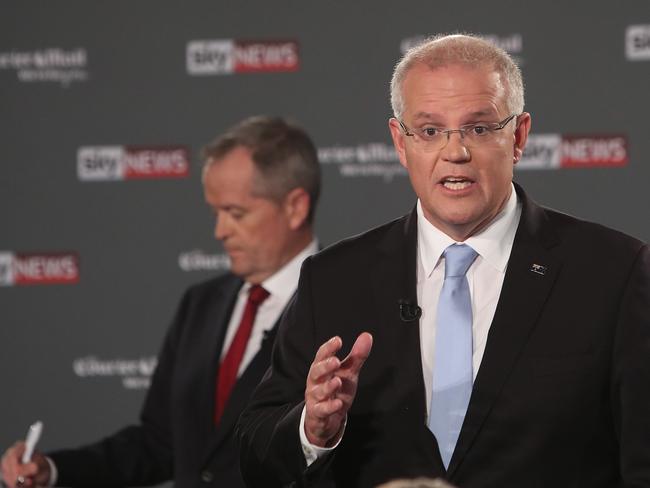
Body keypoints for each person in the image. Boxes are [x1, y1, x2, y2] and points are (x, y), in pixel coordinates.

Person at [237, 34, 650, 487]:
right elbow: (257, 453)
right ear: (400, 142)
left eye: (479, 127)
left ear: (519, 136)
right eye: (430, 131)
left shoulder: (613, 272)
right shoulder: (335, 279)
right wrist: (312, 430)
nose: (456, 152)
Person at [1, 115, 321, 488]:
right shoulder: (200, 305)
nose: (219, 231)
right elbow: (159, 444)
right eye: (215, 213)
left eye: (235, 214)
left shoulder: (338, 305)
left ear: (295, 207)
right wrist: (52, 470)